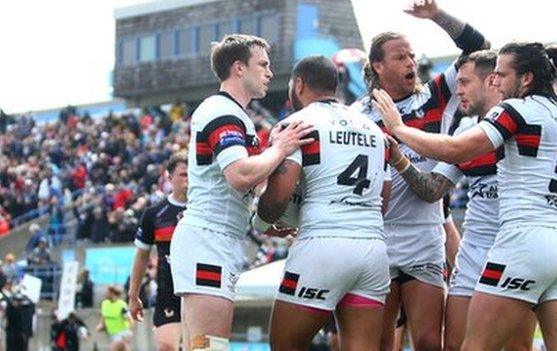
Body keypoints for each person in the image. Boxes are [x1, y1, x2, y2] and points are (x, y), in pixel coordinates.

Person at [373, 42, 557, 351]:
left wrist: (399, 128)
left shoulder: (514, 110)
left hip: (521, 243)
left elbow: (455, 150)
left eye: (501, 74)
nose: (495, 81)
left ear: (525, 79)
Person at [352, 1, 490, 349]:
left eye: (412, 56)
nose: (411, 63)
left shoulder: (435, 98)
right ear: (377, 66)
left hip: (424, 237)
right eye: (400, 57)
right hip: (376, 238)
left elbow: (480, 50)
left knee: (429, 341)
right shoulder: (356, 115)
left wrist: (437, 16)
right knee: (382, 343)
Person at [169, 34, 313, 351]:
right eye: (262, 64)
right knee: (210, 347)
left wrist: (267, 221)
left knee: (202, 347)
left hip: (216, 237)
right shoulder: (222, 110)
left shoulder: (234, 114)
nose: (270, 72)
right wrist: (281, 147)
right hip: (209, 239)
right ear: (238, 68)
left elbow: (240, 183)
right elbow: (239, 175)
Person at [253, 55, 392, 351]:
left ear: (299, 84)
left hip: (323, 245)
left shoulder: (296, 124)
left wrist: (261, 222)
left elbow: (278, 196)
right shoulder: (373, 130)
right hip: (372, 248)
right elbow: (385, 199)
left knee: (285, 345)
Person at [128, 152, 188, 351]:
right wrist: (133, 295)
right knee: (166, 347)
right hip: (168, 292)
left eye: (191, 174)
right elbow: (142, 256)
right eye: (183, 174)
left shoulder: (206, 208)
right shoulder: (154, 214)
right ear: (169, 178)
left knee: (201, 347)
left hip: (200, 291)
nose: (188, 179)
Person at [98, 286, 133, 351]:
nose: (105, 294)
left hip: (121, 334)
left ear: (112, 293)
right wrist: (101, 326)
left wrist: (129, 333)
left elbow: (130, 320)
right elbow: (103, 319)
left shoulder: (122, 305)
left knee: (112, 349)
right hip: (111, 334)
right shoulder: (104, 304)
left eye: (107, 292)